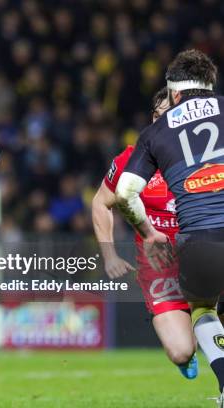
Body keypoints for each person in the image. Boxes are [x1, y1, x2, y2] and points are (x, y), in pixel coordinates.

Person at [115, 49, 224, 406]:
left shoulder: (156, 132)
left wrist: (148, 233)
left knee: (204, 308)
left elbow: (125, 193)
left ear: (174, 93)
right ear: (210, 86)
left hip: (198, 241)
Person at [92, 87, 197, 379]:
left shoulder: (205, 154)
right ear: (155, 119)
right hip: (160, 263)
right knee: (181, 351)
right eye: (166, 115)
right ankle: (190, 348)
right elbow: (101, 203)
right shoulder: (131, 158)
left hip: (205, 251)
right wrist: (109, 254)